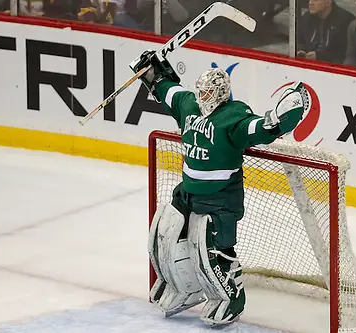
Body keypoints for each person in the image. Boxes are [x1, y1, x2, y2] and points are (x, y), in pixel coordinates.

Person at [129, 50, 306, 326]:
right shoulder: (189, 105)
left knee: (212, 251)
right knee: (165, 233)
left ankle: (231, 298)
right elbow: (169, 91)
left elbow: (258, 129)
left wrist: (277, 121)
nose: (202, 98)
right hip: (188, 191)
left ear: (222, 94)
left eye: (208, 93)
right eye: (200, 92)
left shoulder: (233, 117)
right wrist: (153, 74)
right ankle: (182, 287)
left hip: (221, 198)